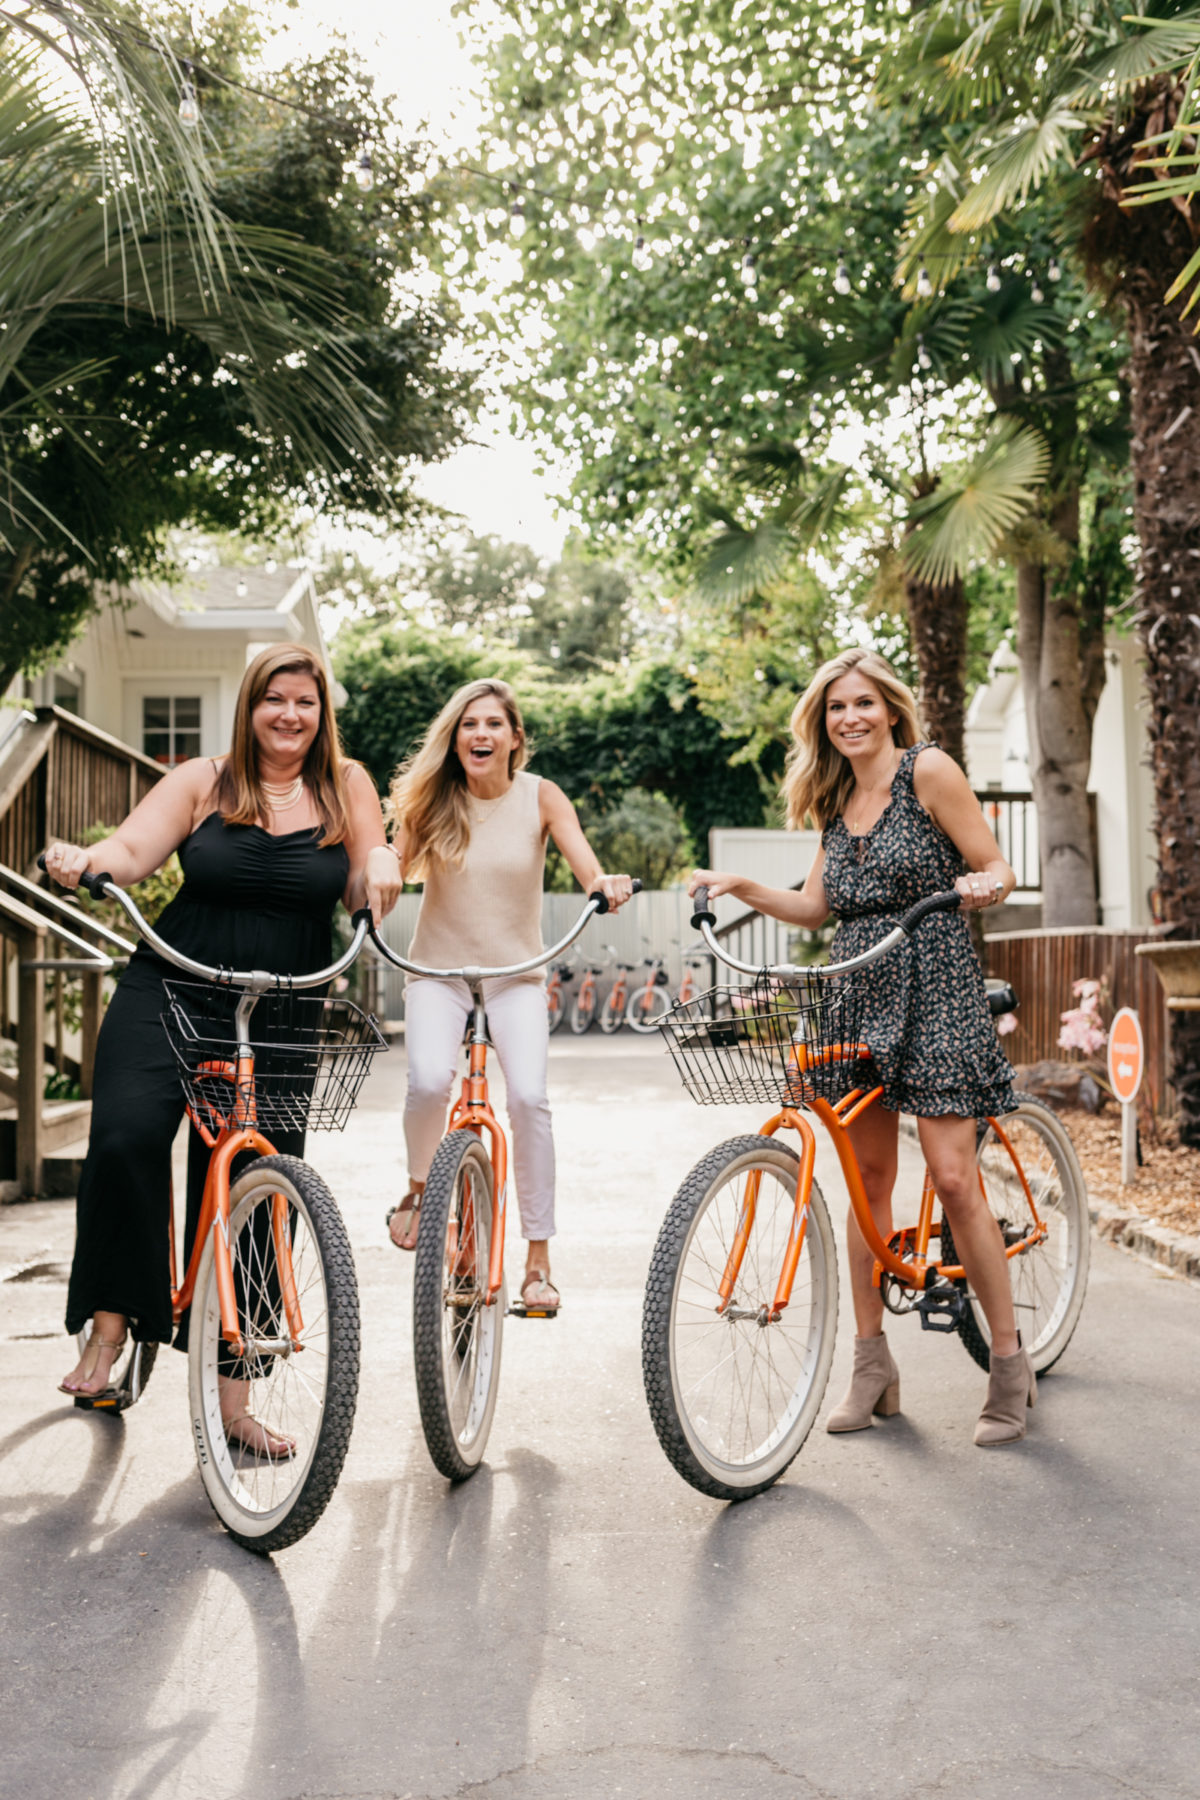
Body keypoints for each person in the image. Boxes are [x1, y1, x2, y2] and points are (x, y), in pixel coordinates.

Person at [44, 643, 401, 1450]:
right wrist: (86, 861)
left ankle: (235, 1402)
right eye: (275, 699)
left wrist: (381, 857)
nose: (290, 715)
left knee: (256, 1183)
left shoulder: (345, 785)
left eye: (305, 701)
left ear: (322, 713)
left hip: (284, 1002)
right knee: (127, 1138)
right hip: (173, 982)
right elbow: (130, 852)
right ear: (250, 706)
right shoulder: (204, 781)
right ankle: (112, 1320)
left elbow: (360, 881)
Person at [688, 648, 1032, 1448]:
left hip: (934, 977)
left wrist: (987, 882)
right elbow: (816, 907)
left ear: (889, 709)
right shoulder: (836, 798)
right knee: (866, 1179)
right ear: (823, 721)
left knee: (953, 1177)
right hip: (856, 984)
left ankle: (1009, 1363)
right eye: (836, 707)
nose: (850, 718)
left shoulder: (927, 770)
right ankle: (872, 1364)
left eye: (863, 703)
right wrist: (740, 886)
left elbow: (996, 863)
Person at [384, 677, 634, 1311]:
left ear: (515, 738)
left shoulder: (541, 796)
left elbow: (587, 867)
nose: (481, 734)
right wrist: (375, 870)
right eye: (469, 724)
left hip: (516, 976)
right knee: (428, 1083)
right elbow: (390, 867)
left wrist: (604, 884)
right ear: (455, 738)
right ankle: (420, 1188)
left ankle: (538, 1259)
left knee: (528, 1099)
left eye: (494, 723)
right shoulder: (431, 801)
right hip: (438, 974)